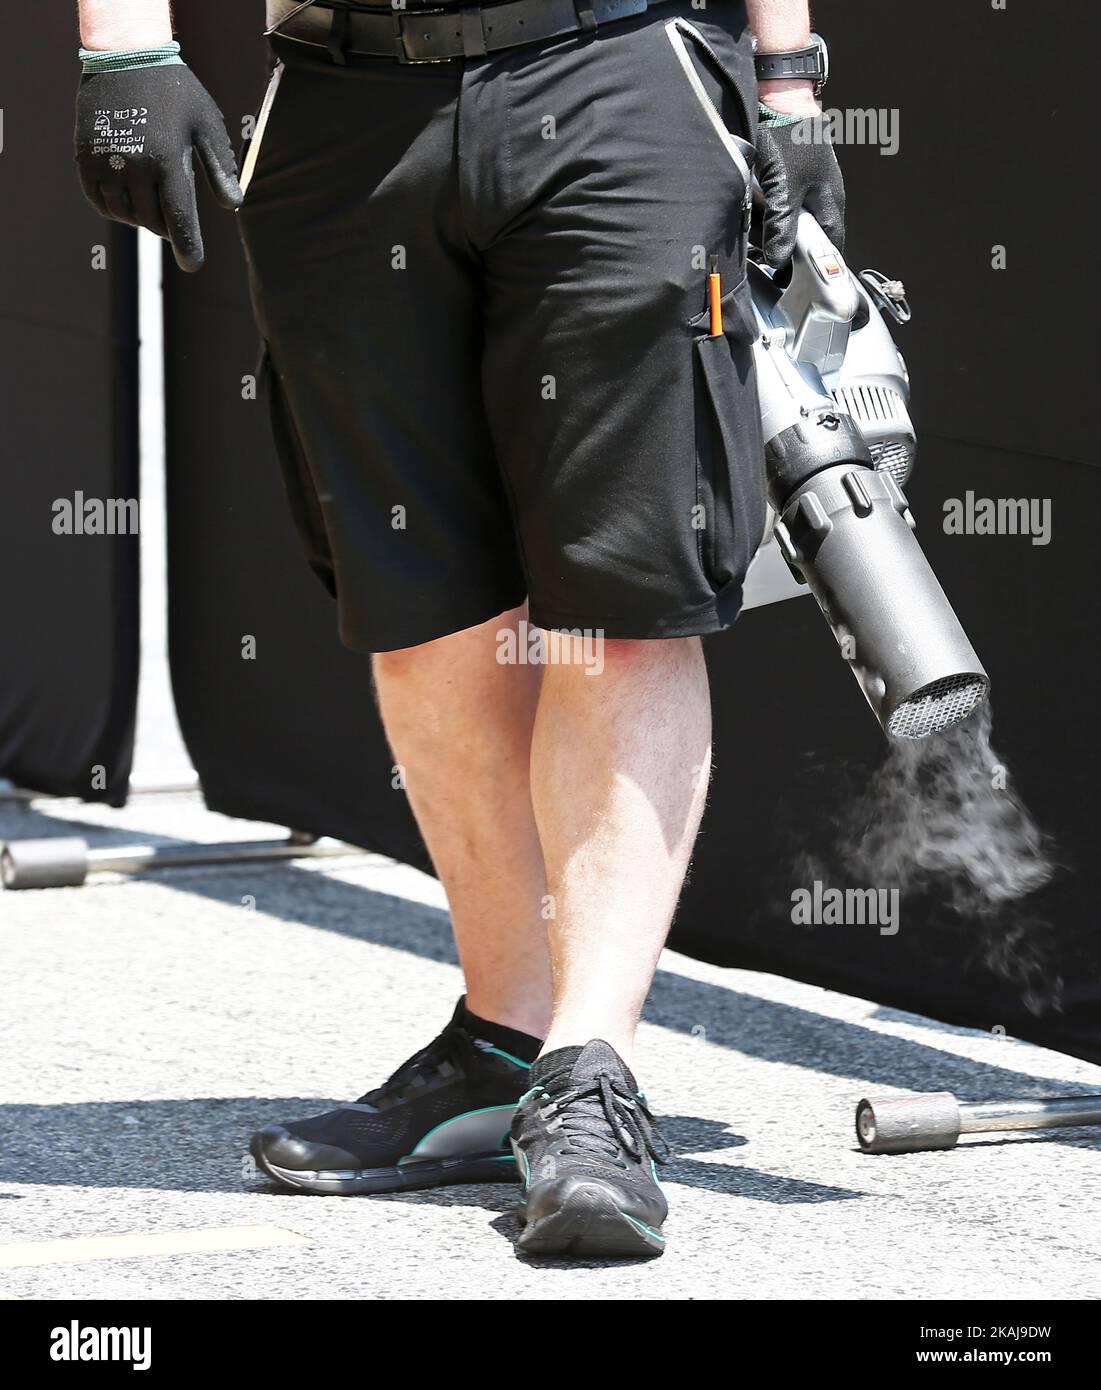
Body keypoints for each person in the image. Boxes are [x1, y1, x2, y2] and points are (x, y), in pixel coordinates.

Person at [74, 0, 843, 1258]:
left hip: (615, 64)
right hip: (343, 95)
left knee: (624, 603)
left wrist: (791, 76)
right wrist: (124, 51)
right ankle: (504, 1043)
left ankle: (590, 1072)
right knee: (421, 602)